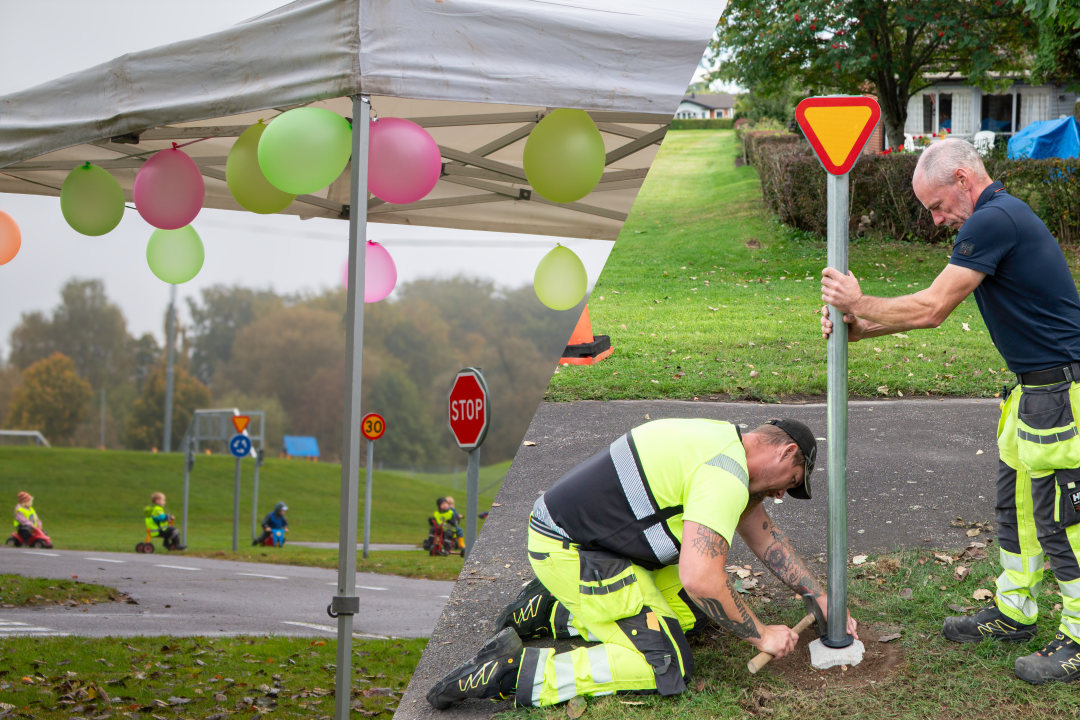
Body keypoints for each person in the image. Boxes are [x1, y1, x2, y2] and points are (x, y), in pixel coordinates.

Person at [819, 137, 1080, 684]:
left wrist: (857, 304)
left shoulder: (994, 219)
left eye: (937, 206)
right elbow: (931, 312)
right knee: (1021, 519)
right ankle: (1014, 613)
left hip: (1062, 396)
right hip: (1032, 396)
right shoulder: (993, 219)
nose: (937, 220)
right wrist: (864, 328)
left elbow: (935, 306)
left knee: (1066, 525)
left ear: (963, 179)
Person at [427, 417, 856, 709]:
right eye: (792, 483)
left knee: (697, 613)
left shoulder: (721, 442)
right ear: (786, 454)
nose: (782, 495)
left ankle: (552, 611)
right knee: (665, 663)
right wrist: (762, 635)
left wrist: (818, 596)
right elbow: (702, 580)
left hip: (584, 543)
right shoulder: (725, 475)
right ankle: (511, 673)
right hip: (575, 553)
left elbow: (762, 534)